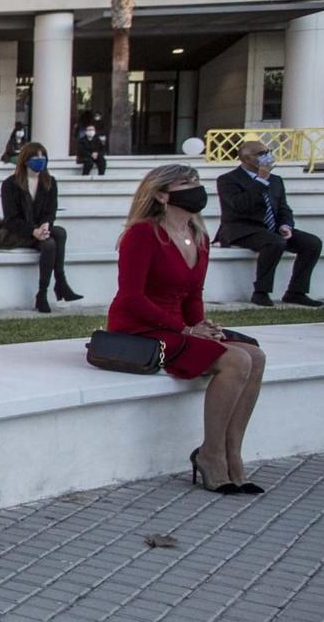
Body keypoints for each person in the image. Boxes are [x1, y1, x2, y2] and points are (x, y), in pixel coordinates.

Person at [109, 164, 268, 494]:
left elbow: (193, 294)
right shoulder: (142, 234)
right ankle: (210, 455)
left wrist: (200, 325)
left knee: (256, 355)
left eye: (196, 182)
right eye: (186, 183)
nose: (196, 188)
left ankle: (231, 452)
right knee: (236, 361)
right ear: (162, 194)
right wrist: (184, 329)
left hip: (179, 327)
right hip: (140, 328)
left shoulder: (200, 237)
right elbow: (131, 298)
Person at [216, 140, 324, 308]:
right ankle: (261, 292)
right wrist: (260, 180)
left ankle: (296, 292)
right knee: (275, 242)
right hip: (242, 229)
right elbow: (240, 206)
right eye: (261, 153)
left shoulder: (276, 180)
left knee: (312, 243)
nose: (267, 156)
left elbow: (283, 208)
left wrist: (285, 225)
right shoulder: (228, 180)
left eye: (268, 151)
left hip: (271, 228)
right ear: (246, 159)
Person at [0, 143, 83, 313]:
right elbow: (11, 219)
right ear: (25, 160)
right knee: (49, 244)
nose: (40, 162)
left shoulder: (49, 182)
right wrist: (33, 231)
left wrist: (45, 225)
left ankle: (60, 281)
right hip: (17, 232)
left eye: (43, 158)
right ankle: (43, 293)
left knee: (59, 232)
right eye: (36, 158)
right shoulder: (10, 184)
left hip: (39, 230)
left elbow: (51, 211)